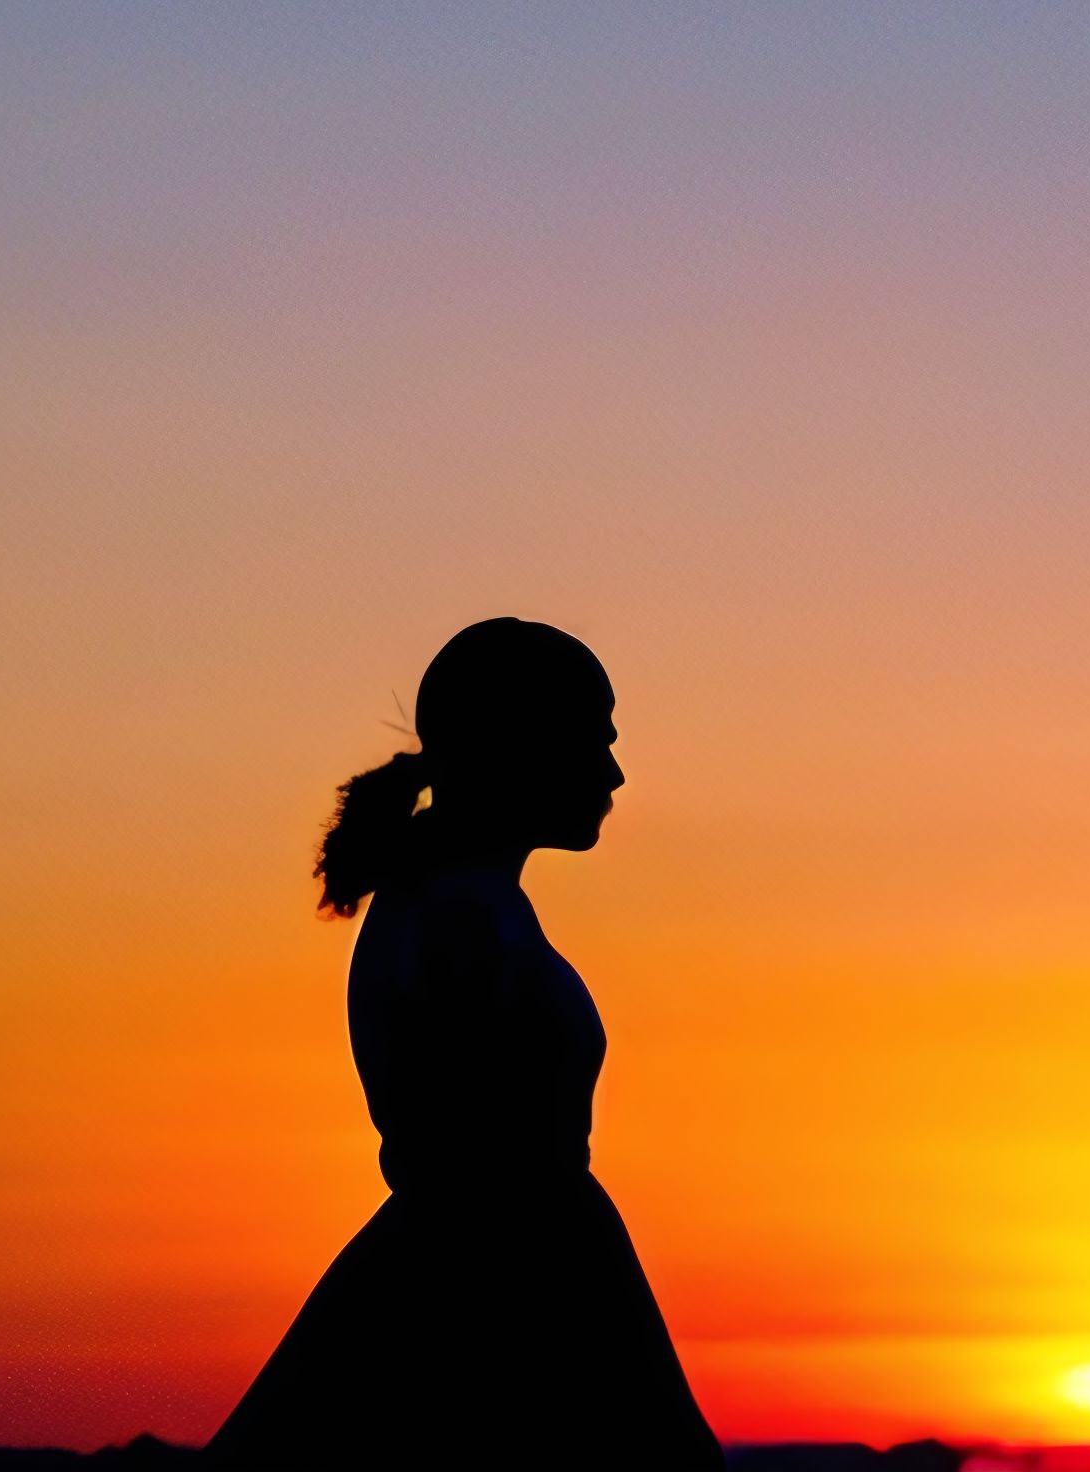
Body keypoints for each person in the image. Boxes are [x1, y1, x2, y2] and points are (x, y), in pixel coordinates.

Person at [207, 618, 724, 1468]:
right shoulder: (462, 913)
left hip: (473, 1261)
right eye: (594, 740)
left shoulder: (453, 899)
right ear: (518, 744)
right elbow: (500, 1170)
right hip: (498, 1279)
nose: (614, 772)